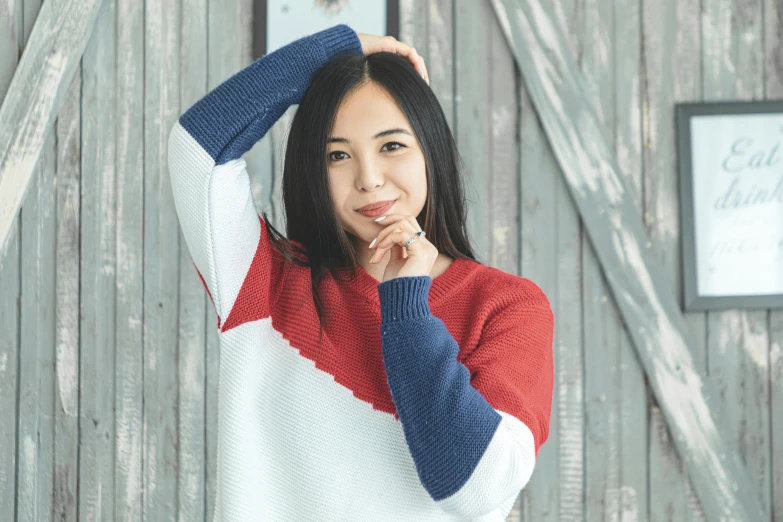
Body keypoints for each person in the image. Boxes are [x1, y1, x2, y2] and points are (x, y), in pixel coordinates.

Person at [168, 23, 554, 522]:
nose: (369, 179)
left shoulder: (508, 306)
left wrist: (407, 307)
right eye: (338, 155)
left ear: (430, 152)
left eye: (392, 146)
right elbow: (197, 150)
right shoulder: (264, 280)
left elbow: (473, 489)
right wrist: (334, 49)